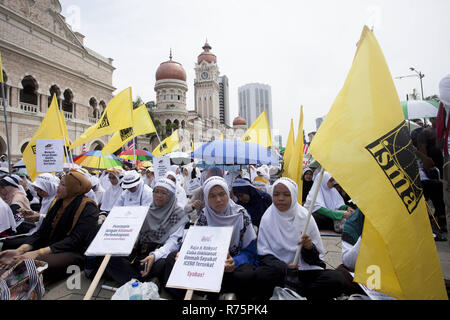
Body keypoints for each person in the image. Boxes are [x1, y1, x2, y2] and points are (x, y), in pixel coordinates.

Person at [164, 176, 257, 300]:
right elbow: (192, 243)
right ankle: (206, 295)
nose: (218, 200)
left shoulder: (240, 214)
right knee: (172, 258)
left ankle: (204, 294)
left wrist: (234, 262)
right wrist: (184, 254)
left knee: (247, 273)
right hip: (206, 264)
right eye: (212, 196)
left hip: (228, 268)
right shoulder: (204, 215)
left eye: (221, 194)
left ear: (228, 194)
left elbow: (251, 251)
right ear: (206, 198)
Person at [0, 170, 99, 284]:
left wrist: (37, 253)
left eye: (63, 184)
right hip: (53, 247)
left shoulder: (88, 207)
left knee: (31, 264)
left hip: (74, 252)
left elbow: (74, 240)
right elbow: (42, 232)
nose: (58, 187)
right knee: (14, 258)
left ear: (74, 187)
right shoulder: (59, 203)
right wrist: (20, 250)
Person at [256, 177, 347, 300]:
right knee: (260, 276)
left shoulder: (305, 217)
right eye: (276, 194)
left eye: (286, 194)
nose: (280, 199)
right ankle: (298, 293)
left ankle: (296, 293)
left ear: (293, 196)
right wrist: (285, 268)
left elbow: (317, 260)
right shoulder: (267, 218)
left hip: (304, 271)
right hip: (280, 272)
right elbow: (264, 254)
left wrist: (309, 248)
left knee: (337, 279)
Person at [105, 178, 188, 286]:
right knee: (110, 258)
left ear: (171, 195)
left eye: (163, 192)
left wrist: (155, 256)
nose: (158, 195)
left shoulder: (178, 214)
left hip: (159, 252)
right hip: (141, 250)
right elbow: (137, 233)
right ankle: (141, 282)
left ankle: (132, 279)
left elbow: (173, 243)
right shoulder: (147, 209)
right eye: (156, 191)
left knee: (161, 265)